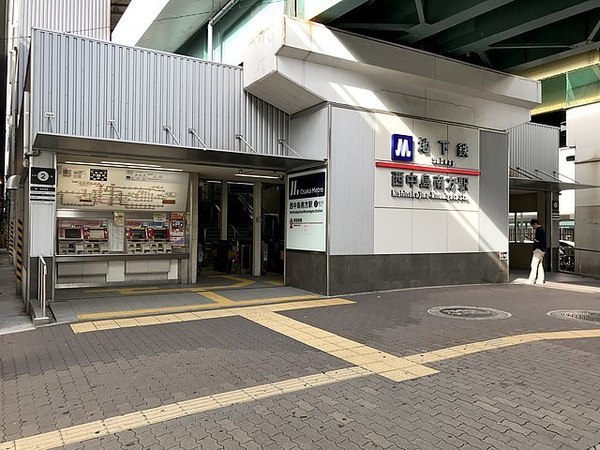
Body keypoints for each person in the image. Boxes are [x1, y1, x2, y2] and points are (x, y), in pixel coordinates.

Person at [527, 219, 547, 284]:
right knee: (539, 265)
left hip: (538, 249)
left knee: (534, 264)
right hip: (543, 250)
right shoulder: (543, 230)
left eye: (533, 226)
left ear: (535, 224)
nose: (533, 228)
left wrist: (532, 238)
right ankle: (540, 280)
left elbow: (538, 240)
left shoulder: (539, 230)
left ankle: (531, 280)